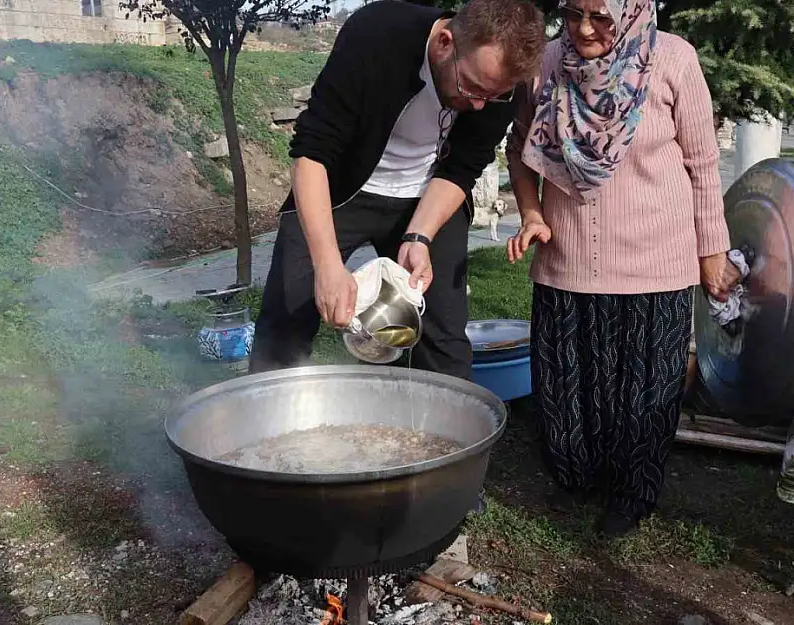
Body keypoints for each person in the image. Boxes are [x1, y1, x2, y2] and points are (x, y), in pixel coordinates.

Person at [505, 0, 736, 537]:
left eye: (601, 17)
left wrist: (712, 254)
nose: (584, 28)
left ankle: (631, 497)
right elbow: (520, 150)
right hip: (567, 262)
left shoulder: (673, 59)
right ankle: (574, 478)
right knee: (568, 390)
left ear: (630, 11)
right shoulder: (546, 65)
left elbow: (703, 166)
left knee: (644, 392)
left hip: (655, 263)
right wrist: (532, 213)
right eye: (573, 12)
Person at [249, 0, 547, 381]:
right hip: (341, 191)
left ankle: (448, 436)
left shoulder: (498, 87)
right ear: (445, 42)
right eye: (471, 86)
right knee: (284, 324)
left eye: (491, 95)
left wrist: (419, 236)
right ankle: (271, 429)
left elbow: (462, 169)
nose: (477, 105)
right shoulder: (376, 34)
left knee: (444, 336)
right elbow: (312, 154)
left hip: (428, 197)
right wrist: (326, 265)